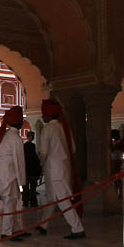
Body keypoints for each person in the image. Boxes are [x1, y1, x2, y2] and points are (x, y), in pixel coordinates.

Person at [37, 99, 85, 239]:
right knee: (52, 198)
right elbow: (73, 149)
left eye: (44, 114)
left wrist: (40, 161)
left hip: (54, 170)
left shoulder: (48, 129)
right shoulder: (65, 129)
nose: (42, 116)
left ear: (48, 115)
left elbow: (44, 152)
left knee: (63, 200)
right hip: (64, 168)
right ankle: (43, 225)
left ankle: (77, 228)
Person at [0, 106, 30, 241]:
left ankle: (16, 229)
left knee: (11, 203)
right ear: (20, 123)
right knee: (10, 204)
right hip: (8, 175)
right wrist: (23, 182)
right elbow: (20, 162)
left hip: (4, 174)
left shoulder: (6, 135)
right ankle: (6, 232)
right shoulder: (15, 139)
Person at [23, 131, 41, 207]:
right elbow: (34, 158)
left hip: (28, 170)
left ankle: (26, 202)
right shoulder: (29, 146)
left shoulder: (27, 146)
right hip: (31, 170)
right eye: (32, 136)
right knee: (31, 187)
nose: (32, 137)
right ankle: (32, 202)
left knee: (28, 187)